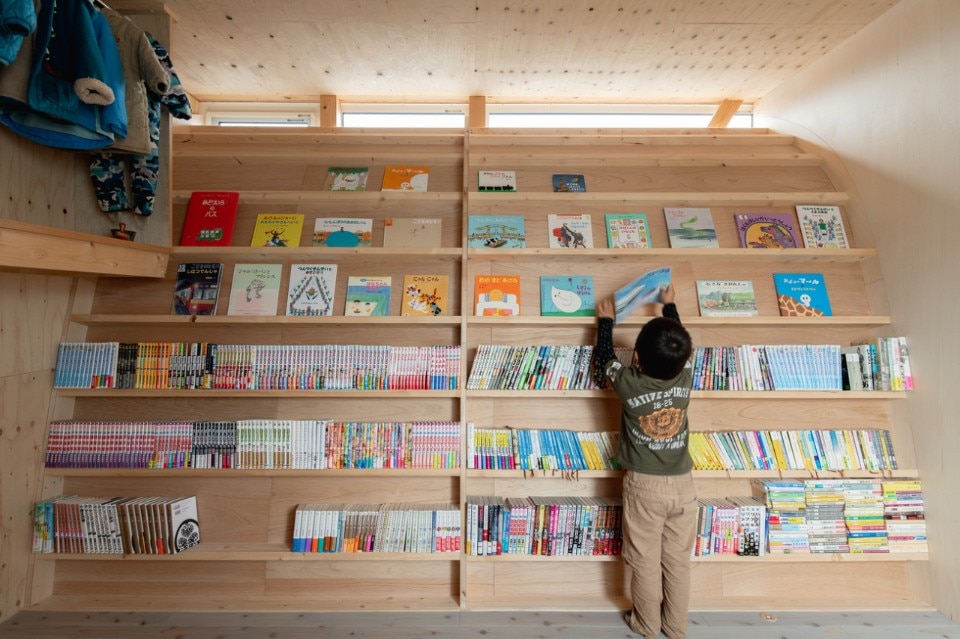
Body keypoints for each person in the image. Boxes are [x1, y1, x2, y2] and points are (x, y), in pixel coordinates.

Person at [592, 283, 697, 639]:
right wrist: (669, 307)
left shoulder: (629, 383)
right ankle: (676, 627)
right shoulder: (688, 374)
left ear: (635, 359)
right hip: (684, 484)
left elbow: (603, 359)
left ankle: (647, 626)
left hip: (644, 485)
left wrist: (605, 322)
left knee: (644, 560)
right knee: (678, 561)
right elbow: (684, 345)